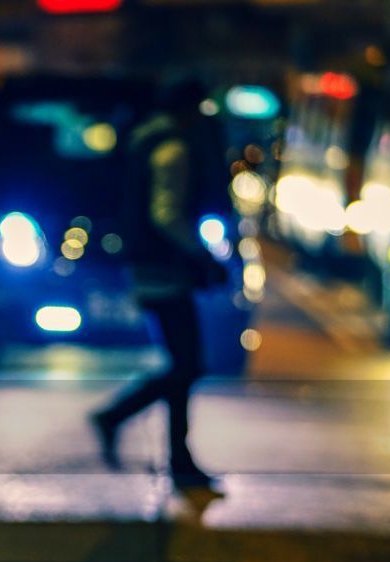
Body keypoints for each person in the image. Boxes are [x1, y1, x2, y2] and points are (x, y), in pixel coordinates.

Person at [90, 77, 231, 492]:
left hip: (148, 266)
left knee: (183, 365)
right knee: (188, 365)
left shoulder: (145, 140)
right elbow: (166, 214)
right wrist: (202, 256)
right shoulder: (173, 149)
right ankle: (167, 450)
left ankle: (173, 453)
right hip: (165, 271)